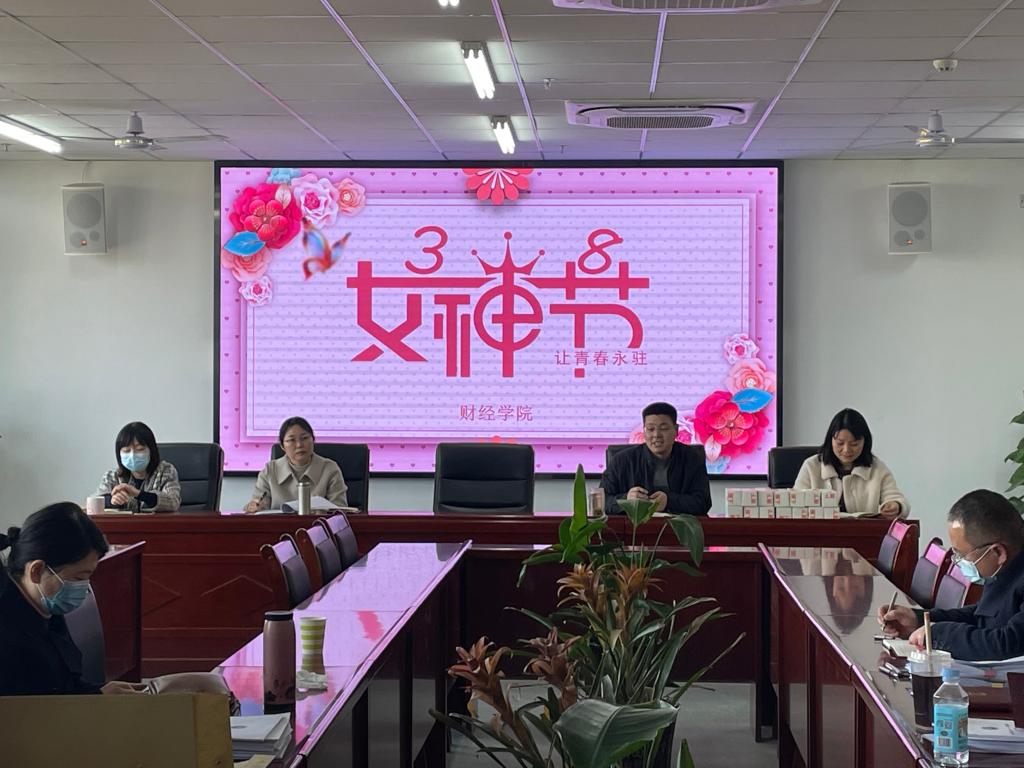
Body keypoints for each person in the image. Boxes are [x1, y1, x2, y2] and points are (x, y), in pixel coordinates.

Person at [0, 502, 142, 695]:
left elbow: (64, 685)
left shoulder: (44, 608)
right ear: (37, 571)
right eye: (78, 578)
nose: (84, 588)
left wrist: (100, 693)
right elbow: (35, 703)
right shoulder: (8, 634)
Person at [879, 490, 1024, 661]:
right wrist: (919, 620)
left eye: (962, 555)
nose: (957, 562)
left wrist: (936, 633)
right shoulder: (1003, 568)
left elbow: (1008, 643)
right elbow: (982, 616)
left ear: (998, 552)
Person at [794, 408, 908, 519]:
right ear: (830, 440)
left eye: (854, 444)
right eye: (840, 443)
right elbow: (795, 505)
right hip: (818, 531)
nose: (846, 450)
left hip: (862, 531)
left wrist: (895, 505)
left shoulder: (877, 468)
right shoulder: (811, 466)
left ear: (865, 442)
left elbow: (895, 498)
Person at [601, 402, 712, 516]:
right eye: (650, 429)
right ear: (644, 431)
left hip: (678, 525)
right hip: (635, 526)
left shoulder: (692, 458)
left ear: (676, 430)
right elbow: (602, 501)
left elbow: (703, 502)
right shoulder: (622, 461)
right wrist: (626, 500)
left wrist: (669, 501)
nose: (656, 435)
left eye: (663, 428)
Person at [245, 417, 348, 512]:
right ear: (282, 446)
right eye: (291, 440)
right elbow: (257, 508)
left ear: (313, 440)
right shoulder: (269, 471)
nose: (299, 445)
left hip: (318, 525)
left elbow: (340, 511)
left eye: (304, 438)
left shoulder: (329, 469)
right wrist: (254, 507)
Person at [95, 421, 181, 512]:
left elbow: (173, 502)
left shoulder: (166, 471)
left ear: (151, 450)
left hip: (156, 521)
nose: (132, 455)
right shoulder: (112, 475)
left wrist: (138, 494)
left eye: (140, 449)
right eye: (126, 450)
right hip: (125, 521)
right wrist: (112, 500)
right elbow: (95, 500)